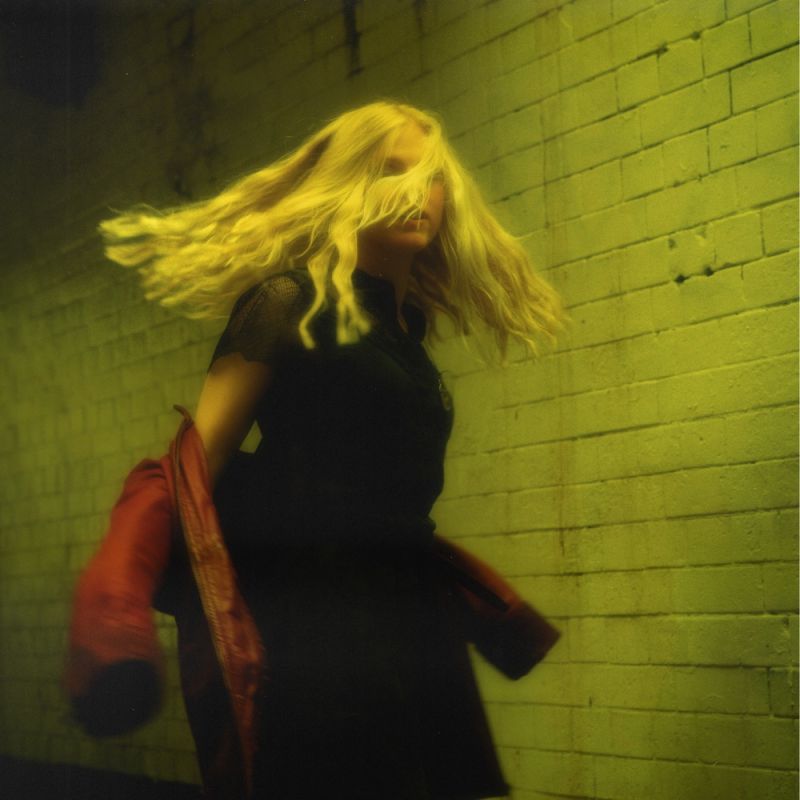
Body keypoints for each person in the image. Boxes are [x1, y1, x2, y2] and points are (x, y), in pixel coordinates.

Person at [83, 101, 562, 799]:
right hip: (315, 631)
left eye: (428, 175)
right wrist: (116, 607)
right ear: (345, 184)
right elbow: (193, 469)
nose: (413, 191)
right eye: (387, 170)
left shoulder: (407, 327)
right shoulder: (287, 302)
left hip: (407, 623)